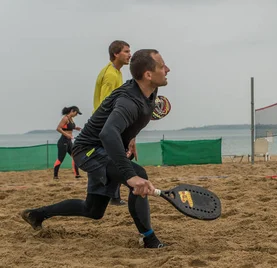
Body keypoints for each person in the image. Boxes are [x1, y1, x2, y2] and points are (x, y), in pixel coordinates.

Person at [21, 49, 170, 249]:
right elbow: (108, 134)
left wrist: (131, 138)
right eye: (162, 66)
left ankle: (37, 214)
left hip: (104, 151)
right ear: (148, 75)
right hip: (88, 151)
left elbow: (127, 123)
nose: (167, 69)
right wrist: (129, 175)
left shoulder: (149, 92)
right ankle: (149, 239)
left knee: (93, 210)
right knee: (138, 175)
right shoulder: (128, 101)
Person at [93, 40, 132, 205]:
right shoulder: (110, 74)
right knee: (116, 159)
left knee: (116, 158)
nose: (130, 54)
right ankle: (112, 197)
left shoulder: (117, 72)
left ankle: (112, 196)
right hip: (104, 125)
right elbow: (105, 104)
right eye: (126, 51)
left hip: (108, 124)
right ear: (116, 54)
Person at [54, 106, 83, 179]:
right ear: (72, 111)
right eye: (76, 113)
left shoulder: (71, 119)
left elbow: (68, 127)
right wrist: (67, 135)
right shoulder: (65, 118)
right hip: (63, 141)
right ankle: (55, 176)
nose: (76, 115)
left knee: (75, 156)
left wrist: (75, 128)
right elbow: (58, 128)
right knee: (60, 159)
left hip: (69, 141)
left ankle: (77, 175)